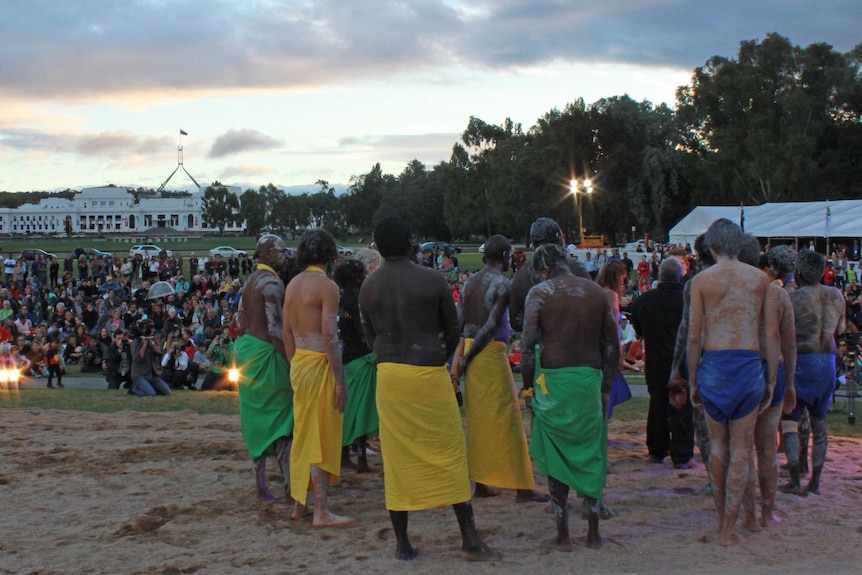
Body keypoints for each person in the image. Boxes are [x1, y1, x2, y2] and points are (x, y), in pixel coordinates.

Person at [359, 215, 499, 561]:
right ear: (410, 243)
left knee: (397, 458)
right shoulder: (433, 280)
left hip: (390, 377)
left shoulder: (369, 287)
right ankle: (469, 540)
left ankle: (403, 544)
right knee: (449, 454)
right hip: (428, 375)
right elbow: (453, 333)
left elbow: (369, 337)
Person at [520, 243, 619, 551]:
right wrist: (605, 388)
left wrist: (528, 389)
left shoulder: (539, 294)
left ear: (542, 268)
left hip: (553, 383)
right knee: (589, 452)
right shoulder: (594, 292)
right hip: (588, 380)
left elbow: (526, 348)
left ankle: (563, 535)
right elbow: (613, 345)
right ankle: (593, 533)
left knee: (556, 454)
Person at [687, 218, 778, 546]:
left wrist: (693, 377)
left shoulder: (702, 281)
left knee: (719, 446)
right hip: (748, 365)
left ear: (711, 247)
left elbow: (695, 335)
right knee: (742, 449)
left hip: (715, 365)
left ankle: (721, 522)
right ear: (739, 245)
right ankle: (729, 529)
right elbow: (770, 333)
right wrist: (771, 379)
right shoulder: (759, 280)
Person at [450, 234, 549, 503]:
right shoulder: (502, 284)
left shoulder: (469, 282)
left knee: (479, 423)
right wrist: (468, 357)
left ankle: (481, 482)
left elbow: (458, 322)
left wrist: (457, 360)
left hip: (472, 349)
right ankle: (522, 488)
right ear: (505, 257)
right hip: (488, 353)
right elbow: (491, 325)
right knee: (508, 421)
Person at [282, 229, 352, 527]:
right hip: (320, 365)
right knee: (321, 435)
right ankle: (321, 510)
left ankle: (300, 505)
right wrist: (340, 379)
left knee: (303, 435)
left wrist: (294, 364)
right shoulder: (327, 286)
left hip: (300, 364)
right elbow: (330, 337)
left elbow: (285, 333)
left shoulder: (293, 284)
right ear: (330, 255)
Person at [738, 236, 796, 527]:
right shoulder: (779, 295)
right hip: (774, 367)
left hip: (745, 369)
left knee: (746, 447)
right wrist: (792, 384)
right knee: (767, 447)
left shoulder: (736, 291)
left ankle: (749, 516)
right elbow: (789, 344)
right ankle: (767, 513)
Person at [780, 249, 844, 496]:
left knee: (789, 421)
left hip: (802, 360)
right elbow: (837, 329)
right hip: (827, 359)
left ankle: (796, 479)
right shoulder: (836, 295)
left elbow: (784, 331)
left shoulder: (793, 297)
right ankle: (815, 481)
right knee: (820, 424)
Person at [235, 234, 293, 501]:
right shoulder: (272, 283)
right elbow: (274, 328)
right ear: (267, 254)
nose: (286, 255)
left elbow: (239, 321)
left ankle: (260, 485)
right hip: (266, 355)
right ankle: (291, 486)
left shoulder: (249, 282)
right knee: (283, 420)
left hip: (247, 351)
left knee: (256, 420)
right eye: (281, 251)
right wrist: (291, 361)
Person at [630, 257, 694, 467]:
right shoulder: (689, 300)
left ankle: (657, 449)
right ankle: (682, 452)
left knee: (657, 404)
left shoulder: (645, 301)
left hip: (656, 359)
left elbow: (638, 328)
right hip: (683, 360)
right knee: (683, 407)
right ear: (680, 276)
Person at [335, 251, 380, 473]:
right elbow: (363, 332)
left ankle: (344, 456)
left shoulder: (341, 299)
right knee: (362, 412)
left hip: (348, 359)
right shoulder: (358, 300)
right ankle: (361, 460)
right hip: (363, 359)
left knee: (348, 411)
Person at [509, 217, 590, 332]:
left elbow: (516, 323)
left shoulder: (520, 277)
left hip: (539, 345)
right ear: (560, 241)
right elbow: (593, 310)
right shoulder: (577, 269)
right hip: (573, 342)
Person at [130, 318, 172, 396]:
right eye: (151, 328)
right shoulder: (136, 341)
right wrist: (144, 345)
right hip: (139, 374)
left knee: (167, 393)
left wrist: (151, 343)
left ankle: (149, 388)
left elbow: (160, 352)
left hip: (151, 374)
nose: (152, 330)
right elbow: (138, 358)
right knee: (151, 394)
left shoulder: (151, 340)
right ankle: (135, 389)